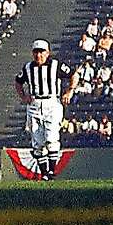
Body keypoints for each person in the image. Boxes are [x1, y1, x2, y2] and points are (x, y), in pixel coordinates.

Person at [14, 39, 74, 180]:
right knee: (37, 140)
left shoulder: (55, 65)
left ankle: (52, 171)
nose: (38, 55)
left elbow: (73, 75)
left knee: (51, 137)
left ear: (47, 53)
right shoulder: (28, 67)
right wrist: (23, 96)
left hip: (51, 102)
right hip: (34, 103)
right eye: (36, 52)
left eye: (41, 52)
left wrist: (69, 91)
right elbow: (18, 82)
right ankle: (45, 174)